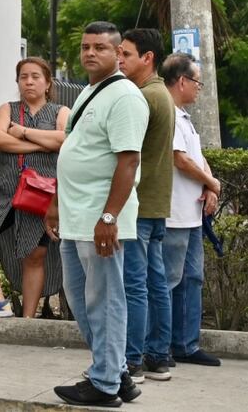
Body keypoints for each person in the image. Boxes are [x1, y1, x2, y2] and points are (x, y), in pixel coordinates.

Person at [48, 21, 147, 407]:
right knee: (82, 299)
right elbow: (72, 151)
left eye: (101, 48)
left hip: (100, 221)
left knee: (104, 301)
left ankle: (105, 383)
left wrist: (109, 218)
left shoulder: (124, 96)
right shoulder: (90, 90)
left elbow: (129, 160)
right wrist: (55, 203)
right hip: (74, 218)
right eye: (86, 46)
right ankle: (116, 371)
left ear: (118, 54)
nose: (90, 53)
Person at [0, 57, 68, 319]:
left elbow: (64, 139)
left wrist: (21, 132)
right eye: (23, 77)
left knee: (35, 255)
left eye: (35, 77)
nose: (29, 81)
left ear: (47, 83)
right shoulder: (7, 109)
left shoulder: (60, 112)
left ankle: (27, 319)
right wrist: (42, 143)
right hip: (5, 192)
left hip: (42, 193)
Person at [119, 28, 176, 383]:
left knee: (134, 286)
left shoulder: (143, 97)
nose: (120, 59)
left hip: (139, 206)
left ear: (148, 58)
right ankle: (157, 356)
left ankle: (132, 360)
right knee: (155, 283)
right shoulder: (161, 94)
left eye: (126, 54)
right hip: (155, 205)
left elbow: (128, 155)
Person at [162, 53, 222, 367]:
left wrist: (210, 185)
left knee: (191, 279)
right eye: (196, 81)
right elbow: (179, 159)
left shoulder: (185, 117)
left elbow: (195, 157)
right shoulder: (167, 114)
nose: (199, 87)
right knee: (169, 280)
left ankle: (186, 345)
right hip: (172, 214)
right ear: (182, 81)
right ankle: (161, 348)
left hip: (192, 215)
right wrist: (210, 181)